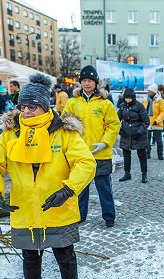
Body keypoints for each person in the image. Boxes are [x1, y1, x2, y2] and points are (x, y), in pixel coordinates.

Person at [0, 73, 96, 279]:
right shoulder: (12, 134)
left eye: (32, 106)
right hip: (25, 210)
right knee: (30, 257)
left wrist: (68, 189)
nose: (26, 111)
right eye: (22, 106)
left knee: (65, 254)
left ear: (44, 105)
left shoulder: (63, 132)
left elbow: (85, 163)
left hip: (58, 208)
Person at [62, 65, 121, 227]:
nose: (87, 84)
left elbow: (113, 125)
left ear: (96, 83)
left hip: (101, 155)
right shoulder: (73, 102)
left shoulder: (104, 103)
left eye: (90, 81)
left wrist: (105, 142)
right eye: (84, 80)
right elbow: (65, 122)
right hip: (80, 155)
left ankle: (109, 217)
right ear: (80, 82)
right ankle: (80, 215)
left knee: (104, 188)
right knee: (80, 188)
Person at [118, 88, 150, 183]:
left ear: (133, 98)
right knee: (126, 155)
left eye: (129, 98)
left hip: (138, 135)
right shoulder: (122, 106)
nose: (128, 100)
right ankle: (127, 173)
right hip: (126, 135)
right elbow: (115, 120)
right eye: (126, 98)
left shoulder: (139, 106)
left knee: (142, 155)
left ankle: (144, 174)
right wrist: (120, 131)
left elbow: (146, 121)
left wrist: (140, 132)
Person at [144, 84, 164, 160]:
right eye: (148, 91)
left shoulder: (160, 101)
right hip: (148, 123)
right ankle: (147, 154)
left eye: (150, 91)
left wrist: (157, 120)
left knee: (159, 141)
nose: (148, 93)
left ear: (154, 92)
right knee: (147, 140)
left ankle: (160, 154)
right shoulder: (146, 100)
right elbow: (143, 111)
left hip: (157, 123)